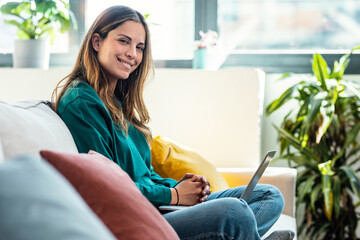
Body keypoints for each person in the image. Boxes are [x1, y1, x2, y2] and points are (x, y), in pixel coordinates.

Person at [53, 5, 294, 240]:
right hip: (137, 219)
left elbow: (145, 176)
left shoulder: (118, 104)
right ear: (96, 42)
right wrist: (173, 195)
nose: (132, 54)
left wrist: (184, 187)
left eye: (139, 47)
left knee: (269, 196)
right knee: (234, 211)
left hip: (155, 207)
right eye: (124, 41)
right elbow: (109, 188)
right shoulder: (81, 102)